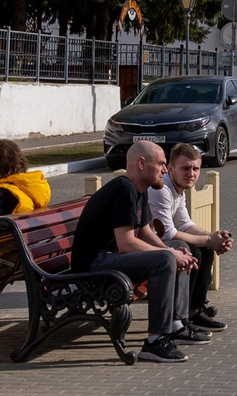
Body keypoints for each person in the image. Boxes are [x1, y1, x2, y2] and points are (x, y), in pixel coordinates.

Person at [71, 138, 193, 362]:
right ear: (141, 163)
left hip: (109, 258)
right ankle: (155, 341)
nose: (165, 169)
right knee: (165, 260)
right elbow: (126, 243)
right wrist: (168, 255)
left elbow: (145, 232)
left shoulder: (139, 189)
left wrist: (172, 250)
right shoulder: (123, 189)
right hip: (93, 264)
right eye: (161, 163)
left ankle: (177, 324)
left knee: (179, 248)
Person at [148, 142, 230, 334]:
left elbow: (184, 223)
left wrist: (214, 237)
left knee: (205, 249)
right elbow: (167, 233)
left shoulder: (178, 189)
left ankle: (194, 311)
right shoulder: (162, 190)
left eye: (195, 169)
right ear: (170, 169)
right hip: (145, 248)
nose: (191, 174)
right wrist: (210, 240)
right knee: (190, 250)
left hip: (156, 244)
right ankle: (180, 318)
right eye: (185, 168)